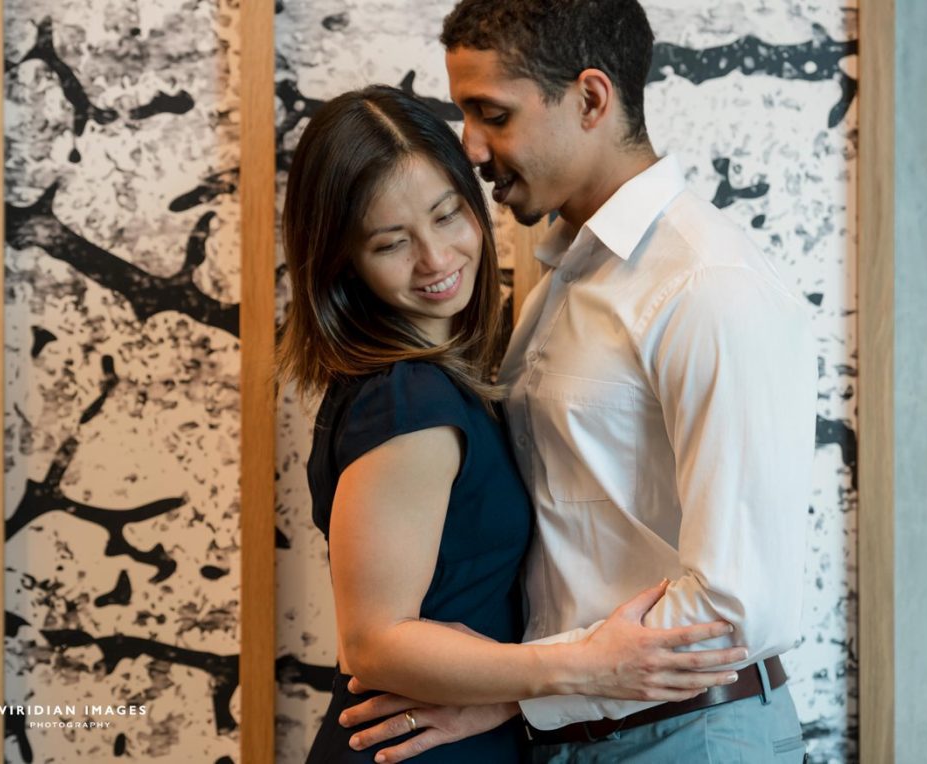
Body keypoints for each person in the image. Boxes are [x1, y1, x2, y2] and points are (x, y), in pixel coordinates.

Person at [342, 1, 816, 760]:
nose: (470, 147)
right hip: (580, 735)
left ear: (591, 99)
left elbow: (736, 605)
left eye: (493, 114)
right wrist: (526, 697)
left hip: (691, 737)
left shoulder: (708, 284)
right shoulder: (563, 273)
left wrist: (524, 693)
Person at [277, 85, 749, 764]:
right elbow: (373, 643)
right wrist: (588, 666)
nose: (436, 259)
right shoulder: (407, 399)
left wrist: (521, 695)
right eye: (391, 243)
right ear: (342, 261)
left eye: (447, 215)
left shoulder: (444, 379)